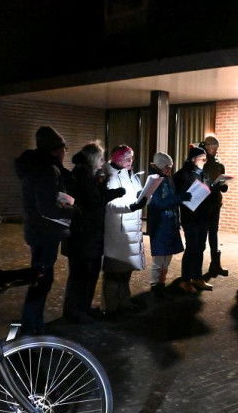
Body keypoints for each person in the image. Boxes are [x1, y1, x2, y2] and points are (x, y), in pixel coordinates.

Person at [14, 125, 74, 334]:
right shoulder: (46, 170)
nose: (65, 153)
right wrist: (71, 211)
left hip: (37, 230)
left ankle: (33, 323)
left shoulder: (36, 166)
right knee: (41, 279)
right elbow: (48, 207)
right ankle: (31, 326)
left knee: (40, 277)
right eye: (64, 149)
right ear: (56, 150)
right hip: (45, 231)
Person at [62, 143, 125, 323]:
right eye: (100, 158)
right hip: (83, 235)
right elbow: (94, 201)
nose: (103, 161)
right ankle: (75, 311)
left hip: (90, 234)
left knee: (89, 274)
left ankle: (84, 308)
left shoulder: (90, 174)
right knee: (81, 275)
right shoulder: (82, 175)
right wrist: (115, 192)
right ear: (92, 158)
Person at [102, 145, 147, 318]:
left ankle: (125, 302)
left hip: (132, 229)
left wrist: (144, 196)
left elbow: (139, 196)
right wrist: (132, 206)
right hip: (117, 231)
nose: (130, 161)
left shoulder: (132, 175)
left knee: (126, 270)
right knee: (114, 271)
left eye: (132, 157)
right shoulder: (109, 176)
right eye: (126, 157)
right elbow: (110, 205)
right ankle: (111, 307)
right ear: (116, 158)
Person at [146, 152, 188, 297]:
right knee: (159, 257)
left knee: (167, 256)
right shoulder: (154, 180)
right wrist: (179, 198)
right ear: (160, 166)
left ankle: (161, 283)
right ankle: (155, 285)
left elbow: (171, 198)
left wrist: (177, 218)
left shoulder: (167, 179)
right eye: (167, 167)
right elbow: (158, 203)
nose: (169, 170)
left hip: (170, 222)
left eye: (170, 167)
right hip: (160, 224)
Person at [173, 145, 215, 292]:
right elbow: (178, 194)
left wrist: (215, 187)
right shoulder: (182, 174)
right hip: (190, 216)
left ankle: (197, 278)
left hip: (203, 216)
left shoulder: (203, 173)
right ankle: (185, 280)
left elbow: (207, 188)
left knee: (201, 247)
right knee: (192, 247)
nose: (204, 161)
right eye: (201, 158)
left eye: (205, 158)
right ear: (193, 159)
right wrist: (185, 196)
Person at [201, 134, 230, 277]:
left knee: (213, 233)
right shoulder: (201, 161)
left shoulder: (219, 163)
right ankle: (195, 269)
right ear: (207, 147)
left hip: (215, 202)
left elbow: (222, 181)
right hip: (203, 202)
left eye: (216, 148)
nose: (215, 150)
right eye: (213, 147)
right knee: (202, 235)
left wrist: (223, 186)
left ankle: (215, 264)